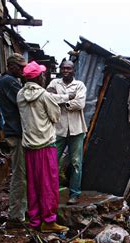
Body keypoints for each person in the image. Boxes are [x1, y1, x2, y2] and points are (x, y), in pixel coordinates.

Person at [17, 61, 68, 233]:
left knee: (33, 184)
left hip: (29, 146)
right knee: (48, 184)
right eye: (42, 74)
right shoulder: (45, 96)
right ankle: (48, 220)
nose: (44, 76)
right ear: (39, 77)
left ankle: (35, 219)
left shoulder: (20, 95)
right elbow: (55, 116)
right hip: (46, 145)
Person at [46, 60, 87, 205]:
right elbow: (48, 98)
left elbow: (80, 104)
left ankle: (74, 193)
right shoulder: (54, 83)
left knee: (76, 163)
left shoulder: (80, 85)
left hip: (77, 130)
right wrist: (67, 97)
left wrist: (61, 101)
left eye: (69, 68)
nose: (65, 70)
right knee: (52, 162)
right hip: (59, 129)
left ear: (74, 70)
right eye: (63, 68)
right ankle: (52, 192)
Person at [0, 53, 27, 224]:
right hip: (15, 133)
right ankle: (16, 215)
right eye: (20, 67)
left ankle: (20, 211)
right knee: (19, 175)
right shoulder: (8, 81)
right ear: (11, 66)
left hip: (16, 132)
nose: (23, 70)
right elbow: (25, 99)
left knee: (21, 174)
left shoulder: (11, 80)